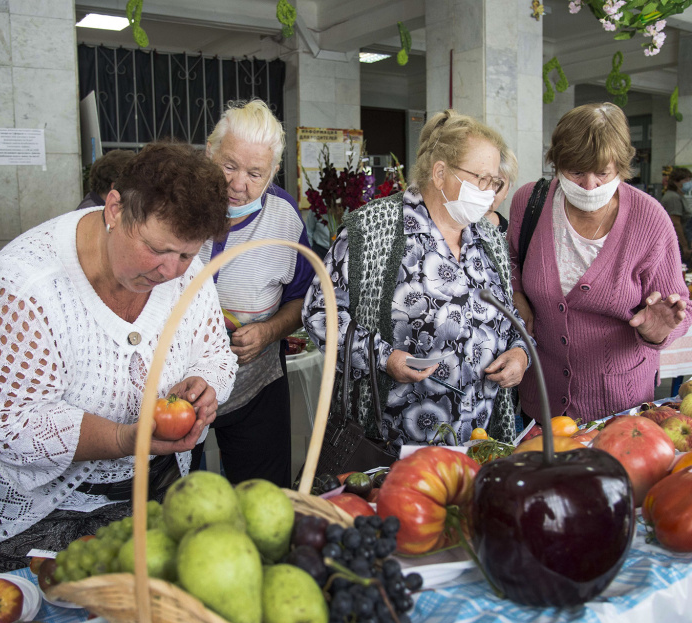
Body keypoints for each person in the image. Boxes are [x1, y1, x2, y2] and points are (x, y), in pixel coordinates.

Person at [0, 143, 238, 573]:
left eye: (186, 253)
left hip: (134, 469)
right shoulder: (25, 286)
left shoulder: (185, 274)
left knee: (142, 575)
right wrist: (124, 438)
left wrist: (204, 380)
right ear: (116, 207)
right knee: (52, 593)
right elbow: (10, 425)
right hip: (22, 483)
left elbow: (214, 350)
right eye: (157, 249)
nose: (170, 271)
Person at [302, 110, 531, 446]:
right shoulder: (373, 228)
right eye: (480, 178)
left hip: (480, 437)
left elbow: (509, 318)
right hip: (394, 441)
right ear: (440, 173)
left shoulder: (489, 237)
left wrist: (520, 352)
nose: (488, 191)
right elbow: (320, 313)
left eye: (494, 182)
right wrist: (383, 357)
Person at [509, 103, 692, 422]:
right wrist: (517, 298)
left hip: (621, 409)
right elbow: (509, 263)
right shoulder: (530, 203)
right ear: (556, 164)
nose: (589, 185)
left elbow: (681, 308)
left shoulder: (649, 219)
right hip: (542, 400)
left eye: (602, 173)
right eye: (576, 171)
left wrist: (656, 331)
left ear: (621, 168)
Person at [197, 100, 314, 488]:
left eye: (254, 173)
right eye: (228, 166)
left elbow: (303, 299)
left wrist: (268, 332)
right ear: (209, 152)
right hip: (175, 391)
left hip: (255, 389)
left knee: (261, 499)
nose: (238, 184)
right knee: (176, 504)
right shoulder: (178, 204)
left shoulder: (283, 218)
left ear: (273, 172)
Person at [659, 166, 692, 262]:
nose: (689, 182)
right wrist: (685, 246)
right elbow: (676, 223)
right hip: (677, 245)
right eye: (685, 180)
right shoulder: (673, 198)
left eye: (690, 179)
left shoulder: (679, 196)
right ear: (676, 182)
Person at [485, 147, 518, 235]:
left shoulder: (512, 235)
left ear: (507, 190)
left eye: (497, 183)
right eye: (484, 179)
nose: (489, 189)